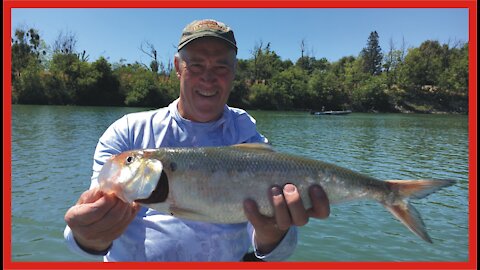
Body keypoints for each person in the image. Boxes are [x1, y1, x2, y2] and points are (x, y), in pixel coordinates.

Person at [64, 19, 330, 262]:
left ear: (234, 72)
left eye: (221, 66)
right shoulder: (127, 132)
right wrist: (89, 235)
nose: (208, 76)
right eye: (197, 65)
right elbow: (86, 234)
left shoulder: (249, 138)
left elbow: (276, 250)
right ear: (178, 67)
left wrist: (273, 234)